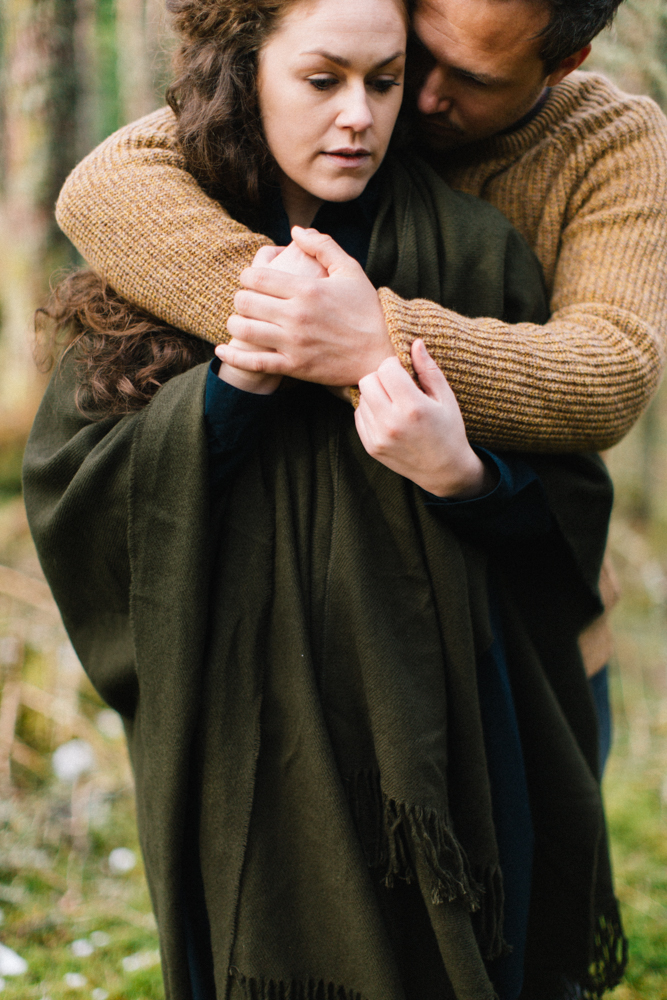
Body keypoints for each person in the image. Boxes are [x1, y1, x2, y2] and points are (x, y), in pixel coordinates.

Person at [25, 0, 623, 998]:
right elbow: (76, 494)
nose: (358, 115)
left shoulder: (477, 255)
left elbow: (566, 517)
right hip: (259, 753)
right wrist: (224, 398)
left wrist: (460, 472)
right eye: (321, 79)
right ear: (245, 70)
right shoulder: (155, 244)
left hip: (459, 757)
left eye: (383, 82)